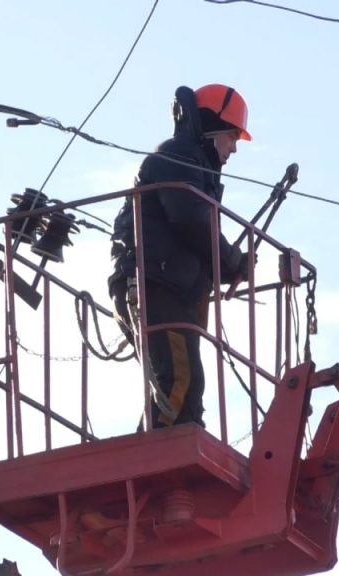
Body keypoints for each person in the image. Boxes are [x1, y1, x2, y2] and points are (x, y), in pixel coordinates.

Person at [108, 84, 252, 429]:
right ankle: (160, 457)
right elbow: (189, 219)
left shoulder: (192, 168)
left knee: (178, 385)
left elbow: (194, 229)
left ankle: (157, 452)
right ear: (212, 127)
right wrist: (231, 260)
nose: (233, 148)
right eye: (232, 136)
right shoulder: (176, 159)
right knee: (179, 384)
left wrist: (227, 266)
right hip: (154, 285)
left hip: (165, 285)